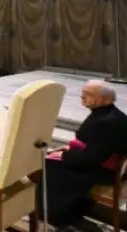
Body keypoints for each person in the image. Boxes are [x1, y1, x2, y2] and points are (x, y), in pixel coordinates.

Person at [35, 80, 127, 227]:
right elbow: (93, 146)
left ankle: (57, 215)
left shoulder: (107, 122)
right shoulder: (108, 114)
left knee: (49, 165)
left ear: (106, 99)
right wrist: (69, 149)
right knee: (54, 158)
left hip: (103, 171)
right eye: (83, 94)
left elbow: (92, 158)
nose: (82, 97)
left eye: (88, 95)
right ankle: (66, 209)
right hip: (101, 163)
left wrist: (65, 155)